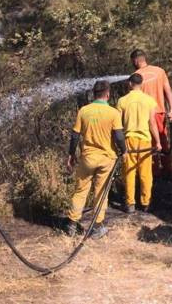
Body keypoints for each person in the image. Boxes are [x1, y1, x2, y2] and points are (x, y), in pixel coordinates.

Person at [65, 80, 125, 238]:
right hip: (107, 159)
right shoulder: (113, 113)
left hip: (87, 159)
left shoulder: (84, 111)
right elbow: (119, 136)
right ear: (107, 94)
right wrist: (124, 151)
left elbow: (75, 135)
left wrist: (71, 154)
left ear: (94, 94)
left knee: (80, 191)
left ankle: (71, 224)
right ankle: (97, 227)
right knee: (101, 192)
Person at [116, 72, 162, 213]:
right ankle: (146, 202)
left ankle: (130, 204)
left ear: (130, 83)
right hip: (145, 141)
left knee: (129, 172)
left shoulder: (122, 101)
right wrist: (158, 142)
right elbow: (152, 123)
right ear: (141, 84)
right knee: (145, 173)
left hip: (129, 140)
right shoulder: (149, 100)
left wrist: (117, 143)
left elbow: (117, 125)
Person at [130, 49, 172, 177]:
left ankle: (154, 173)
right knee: (163, 142)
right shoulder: (159, 71)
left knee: (149, 143)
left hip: (145, 116)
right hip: (160, 112)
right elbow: (168, 91)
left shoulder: (135, 76)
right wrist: (171, 109)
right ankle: (168, 171)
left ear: (135, 60)